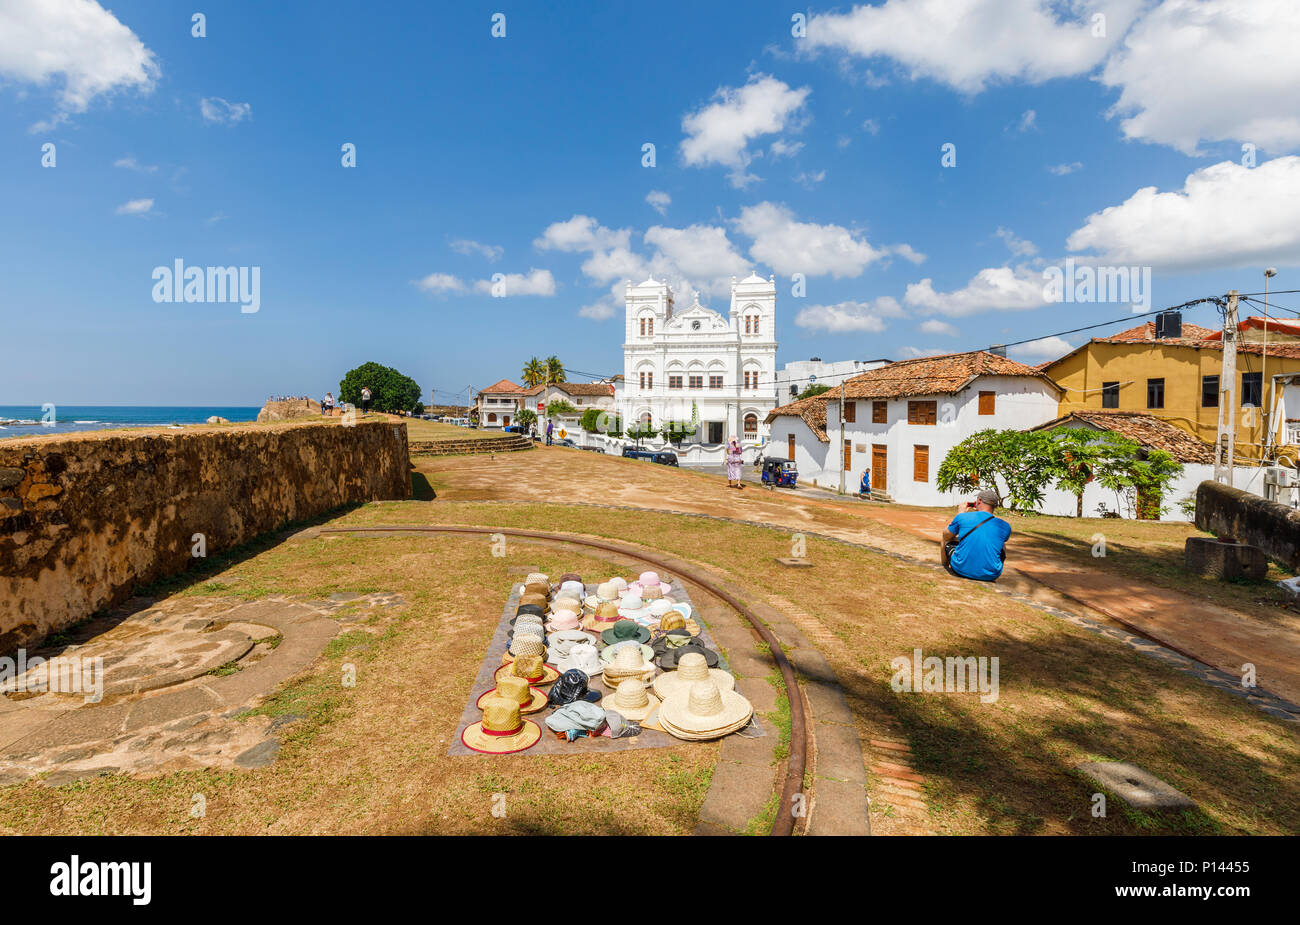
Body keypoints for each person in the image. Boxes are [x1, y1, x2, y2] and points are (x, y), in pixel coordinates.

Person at [940, 489, 1011, 581]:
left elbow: (946, 535)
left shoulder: (963, 517)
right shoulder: (1005, 526)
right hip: (991, 575)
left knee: (947, 539)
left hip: (960, 569)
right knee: (1002, 544)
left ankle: (945, 566)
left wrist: (960, 513)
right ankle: (990, 568)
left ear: (979, 501)